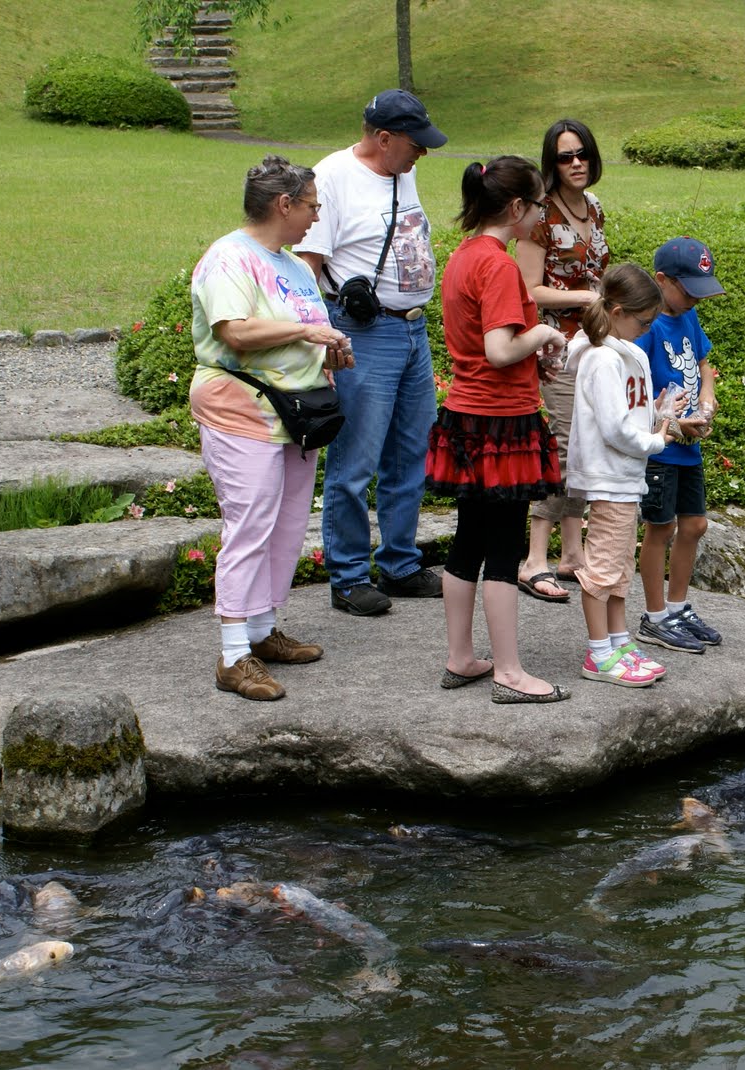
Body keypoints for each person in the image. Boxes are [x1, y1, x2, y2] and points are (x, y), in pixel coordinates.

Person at [189, 155, 354, 700]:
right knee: (250, 524)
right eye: (311, 205)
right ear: (284, 204)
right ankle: (233, 654)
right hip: (242, 409)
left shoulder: (294, 265)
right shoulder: (229, 258)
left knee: (285, 526)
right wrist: (308, 333)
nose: (315, 215)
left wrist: (330, 352)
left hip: (296, 415)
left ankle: (261, 631)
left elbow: (308, 329)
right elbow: (235, 331)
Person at [296, 89, 446, 617]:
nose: (422, 152)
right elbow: (308, 267)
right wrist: (323, 337)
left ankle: (400, 563)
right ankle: (349, 576)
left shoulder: (402, 170)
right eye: (415, 142)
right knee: (355, 461)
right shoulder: (332, 177)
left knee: (412, 453)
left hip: (413, 331)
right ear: (384, 138)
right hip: (364, 332)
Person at [427, 157, 571, 704]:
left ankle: (461, 657)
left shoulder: (462, 256)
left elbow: (483, 352)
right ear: (516, 209)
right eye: (538, 206)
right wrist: (542, 335)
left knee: (469, 540)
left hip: (466, 415)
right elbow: (500, 347)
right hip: (502, 425)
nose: (541, 214)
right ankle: (510, 673)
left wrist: (533, 353)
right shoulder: (501, 266)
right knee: (506, 548)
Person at [565, 264, 682, 688]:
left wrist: (663, 412)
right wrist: (656, 441)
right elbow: (615, 428)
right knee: (602, 569)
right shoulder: (600, 359)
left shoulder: (628, 352)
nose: (647, 330)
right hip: (610, 477)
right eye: (644, 322)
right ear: (617, 312)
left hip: (626, 477)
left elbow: (635, 410)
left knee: (618, 568)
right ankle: (599, 654)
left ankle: (619, 641)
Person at [513, 119, 611, 603]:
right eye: (565, 157)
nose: (576, 163)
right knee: (562, 444)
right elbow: (527, 289)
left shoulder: (594, 207)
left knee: (583, 444)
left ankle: (572, 552)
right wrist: (583, 297)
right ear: (551, 163)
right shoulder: (542, 216)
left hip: (592, 341)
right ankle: (533, 559)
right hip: (554, 342)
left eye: (582, 154)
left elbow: (600, 272)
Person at [636, 237, 725, 656]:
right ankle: (654, 618)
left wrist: (707, 399)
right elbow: (634, 398)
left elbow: (705, 365)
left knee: (694, 525)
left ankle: (678, 606)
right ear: (661, 281)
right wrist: (675, 422)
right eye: (688, 290)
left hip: (688, 444)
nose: (694, 299)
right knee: (661, 528)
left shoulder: (688, 318)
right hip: (661, 444)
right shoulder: (647, 326)